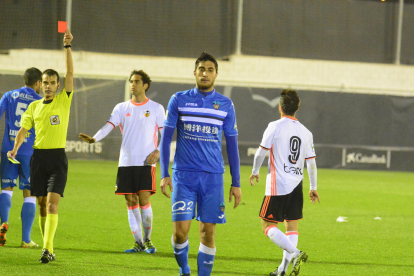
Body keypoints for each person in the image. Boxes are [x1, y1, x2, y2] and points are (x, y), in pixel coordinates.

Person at [159, 52, 242, 276]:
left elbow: (232, 144)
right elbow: (166, 138)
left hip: (213, 178)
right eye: (201, 69)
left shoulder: (226, 104)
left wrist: (236, 182)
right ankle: (184, 269)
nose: (205, 73)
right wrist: (164, 173)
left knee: (208, 233)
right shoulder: (178, 99)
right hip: (183, 177)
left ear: (216, 74)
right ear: (195, 72)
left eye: (210, 70)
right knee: (180, 233)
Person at [78, 70, 164, 254]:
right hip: (126, 162)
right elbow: (108, 126)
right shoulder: (121, 107)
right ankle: (138, 243)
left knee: (143, 199)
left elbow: (165, 134)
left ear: (145, 85)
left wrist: (158, 151)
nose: (132, 84)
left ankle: (148, 241)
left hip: (146, 162)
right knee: (130, 200)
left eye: (137, 81)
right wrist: (94, 139)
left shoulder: (157, 108)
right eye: (131, 81)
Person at [7, 29, 74, 263]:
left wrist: (67, 47)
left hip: (57, 159)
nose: (48, 86)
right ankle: (50, 248)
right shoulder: (34, 107)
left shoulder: (64, 100)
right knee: (43, 205)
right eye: (45, 83)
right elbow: (23, 130)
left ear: (58, 85)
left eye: (52, 83)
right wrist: (15, 149)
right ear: (40, 84)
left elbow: (70, 72)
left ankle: (46, 250)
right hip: (38, 159)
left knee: (53, 205)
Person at [249, 89, 320, 276]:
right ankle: (282, 270)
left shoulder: (275, 126)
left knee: (267, 225)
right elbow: (311, 163)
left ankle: (295, 253)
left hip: (278, 184)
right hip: (297, 184)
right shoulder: (306, 132)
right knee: (292, 226)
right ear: (297, 108)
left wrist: (255, 171)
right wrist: (313, 187)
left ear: (280, 107)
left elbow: (260, 152)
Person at [0, 68, 43, 247]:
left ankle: (4, 223)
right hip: (30, 152)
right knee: (29, 194)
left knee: (6, 189)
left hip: (9, 149)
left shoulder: (9, 95)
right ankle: (25, 239)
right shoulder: (40, 101)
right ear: (38, 83)